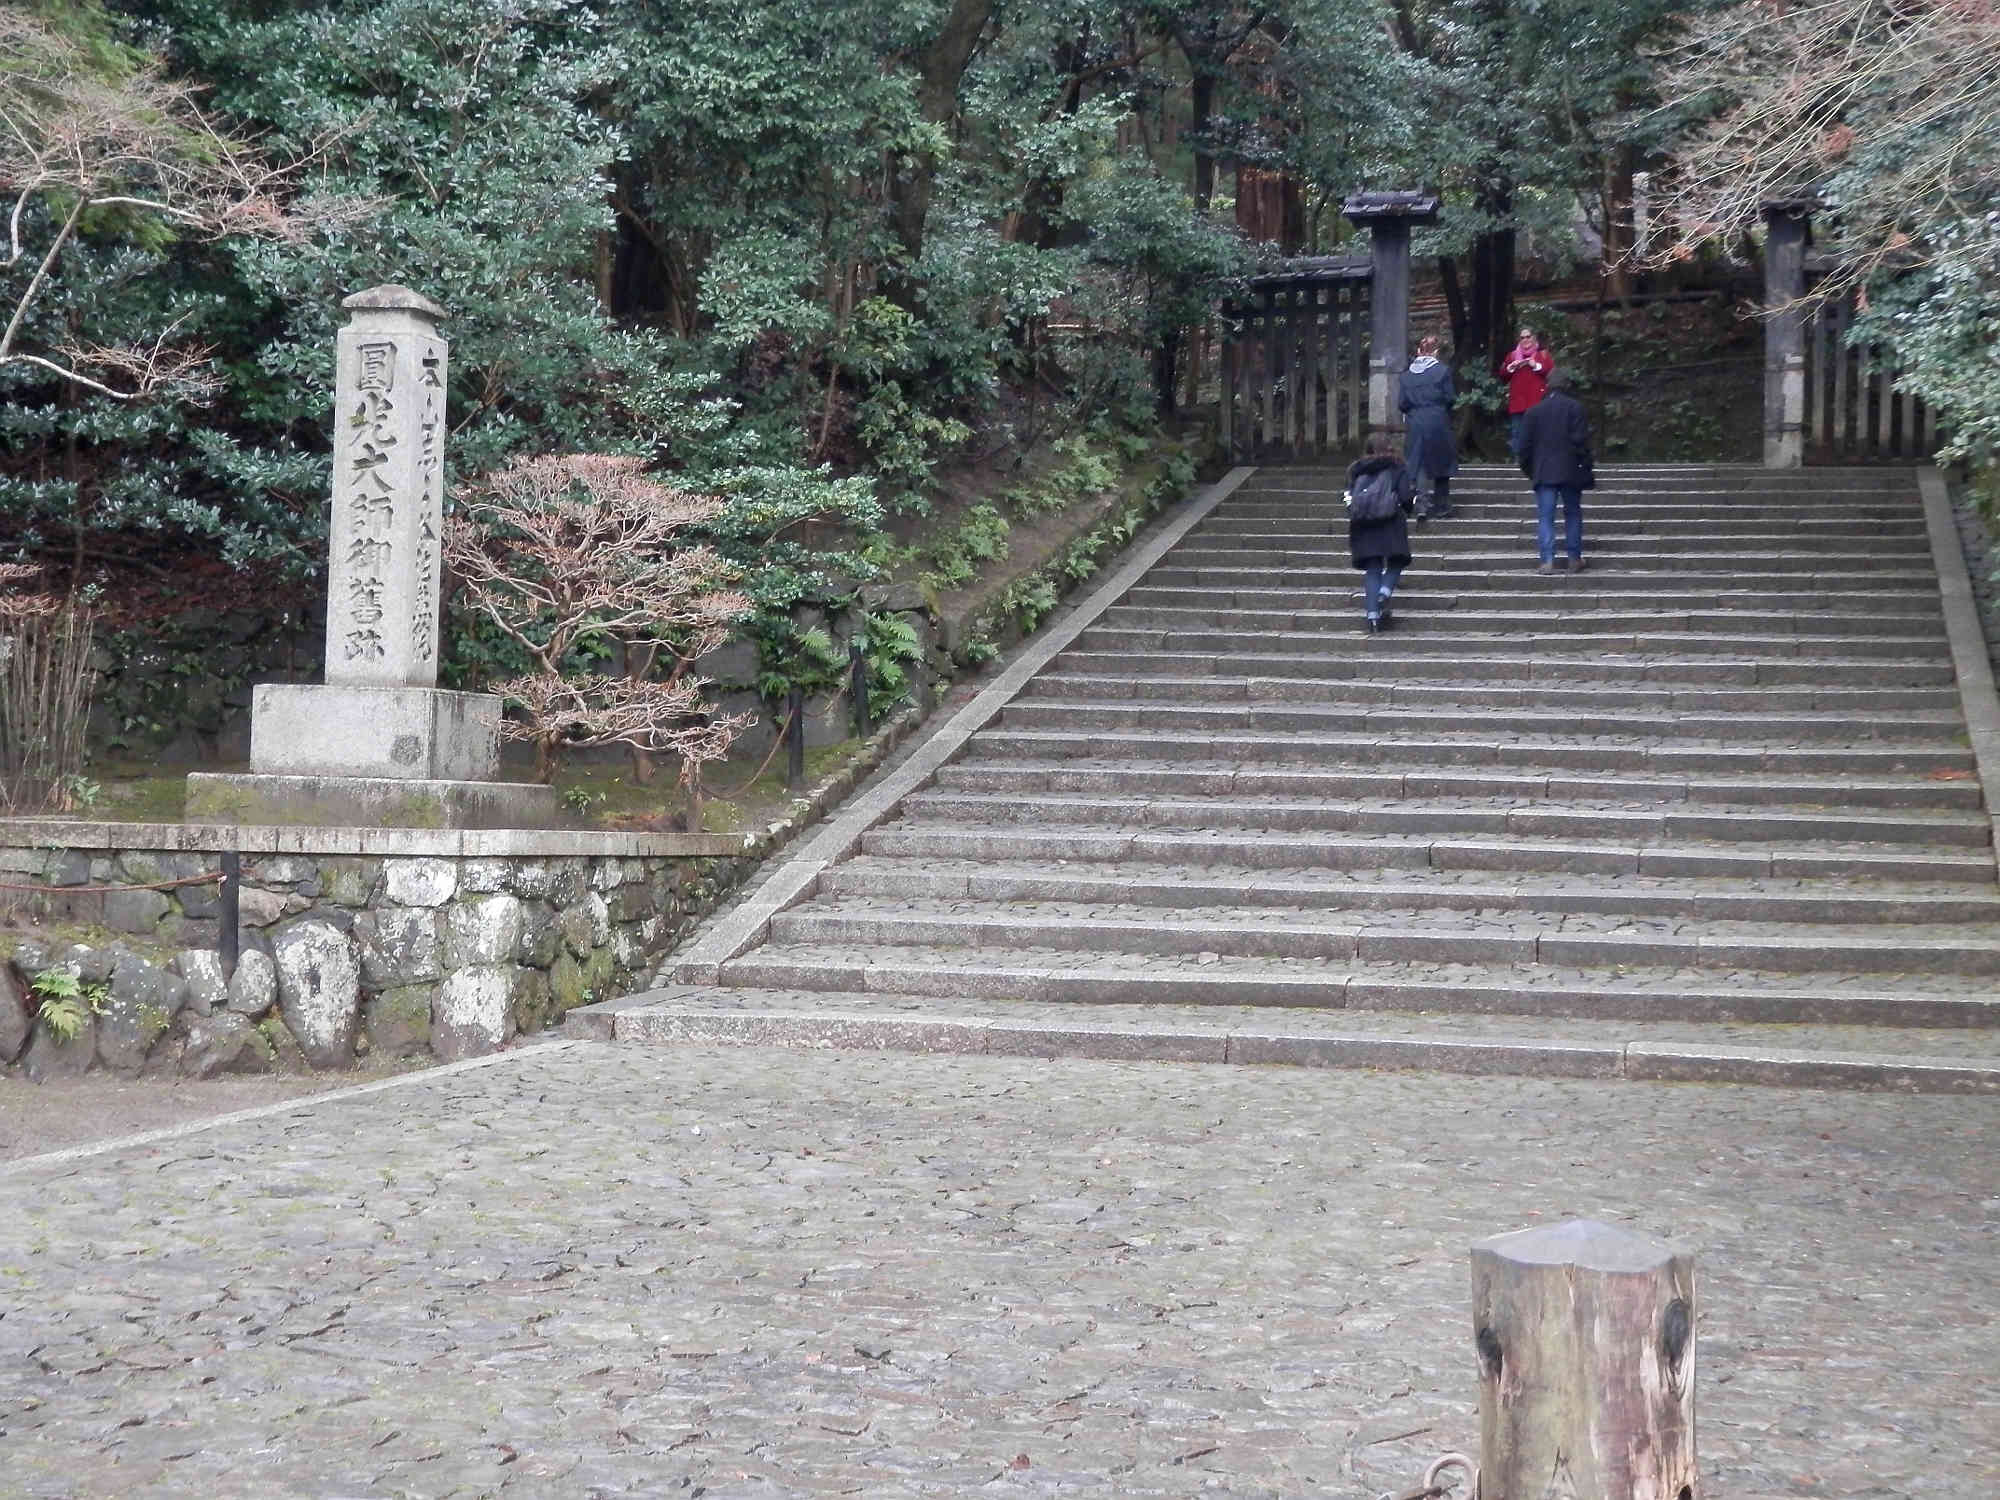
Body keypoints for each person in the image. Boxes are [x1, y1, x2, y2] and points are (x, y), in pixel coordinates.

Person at [1515, 368, 1594, 574]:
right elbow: (1582, 442)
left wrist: (1531, 470)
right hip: (1570, 470)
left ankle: (1547, 560)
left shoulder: (1534, 412)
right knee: (1573, 513)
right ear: (1567, 386)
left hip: (1543, 470)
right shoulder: (1576, 408)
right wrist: (1585, 466)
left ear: (1547, 386)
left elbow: (1523, 447)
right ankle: (1574, 558)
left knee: (1545, 516)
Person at [1345, 431, 1417, 633]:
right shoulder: (1397, 467)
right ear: (1389, 447)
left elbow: (1347, 497)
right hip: (1391, 521)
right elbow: (1405, 496)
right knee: (1396, 561)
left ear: (1367, 449)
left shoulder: (1355, 470)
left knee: (1372, 568)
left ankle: (1372, 617)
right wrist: (1410, 508)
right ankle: (1384, 593)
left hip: (1363, 524)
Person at [1398, 335, 1457, 520]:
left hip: (1415, 421)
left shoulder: (1406, 376)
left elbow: (1402, 403)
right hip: (1437, 419)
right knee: (1441, 459)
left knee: (1418, 461)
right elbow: (1450, 398)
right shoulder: (1442, 371)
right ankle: (1442, 504)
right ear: (1436, 352)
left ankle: (1421, 504)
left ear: (1418, 351)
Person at [1501, 327, 1554, 458]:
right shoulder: (1512, 356)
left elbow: (1551, 372)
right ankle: (1518, 464)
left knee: (1538, 434)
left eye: (1528, 336)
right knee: (1518, 435)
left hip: (1537, 403)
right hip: (1517, 404)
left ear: (1534, 338)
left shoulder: (1542, 355)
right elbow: (1502, 375)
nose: (1525, 340)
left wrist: (1535, 365)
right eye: (1522, 337)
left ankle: (1540, 461)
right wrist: (1510, 368)